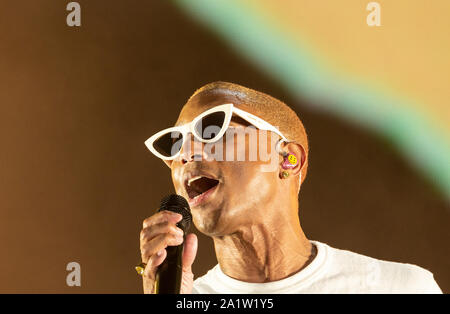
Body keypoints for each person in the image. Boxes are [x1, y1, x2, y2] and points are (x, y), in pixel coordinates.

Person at [139, 81, 442, 293]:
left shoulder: (398, 288)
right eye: (175, 144)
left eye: (214, 129)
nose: (185, 153)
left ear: (288, 159)